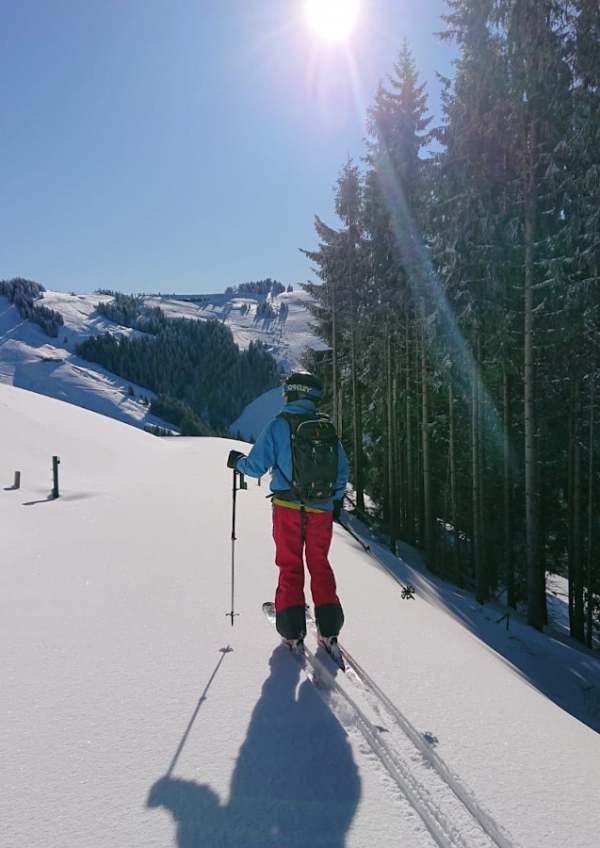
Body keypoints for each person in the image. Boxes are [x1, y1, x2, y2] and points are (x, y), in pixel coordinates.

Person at [227, 371, 349, 657]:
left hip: (287, 509)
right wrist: (334, 500)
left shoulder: (279, 426)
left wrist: (237, 463)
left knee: (290, 564)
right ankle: (329, 628)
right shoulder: (326, 428)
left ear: (291, 393)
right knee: (319, 564)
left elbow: (256, 467)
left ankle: (292, 630)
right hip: (321, 510)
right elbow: (341, 470)